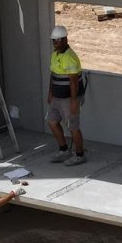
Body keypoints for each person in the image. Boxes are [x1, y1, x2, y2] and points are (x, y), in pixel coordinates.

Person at [47, 24, 87, 166]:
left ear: (64, 40)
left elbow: (74, 83)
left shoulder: (69, 57)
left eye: (57, 40)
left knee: (73, 127)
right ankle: (64, 150)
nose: (55, 43)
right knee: (52, 121)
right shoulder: (55, 54)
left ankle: (79, 155)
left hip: (69, 98)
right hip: (57, 97)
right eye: (53, 41)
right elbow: (53, 75)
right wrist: (50, 93)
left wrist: (74, 101)